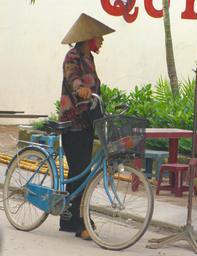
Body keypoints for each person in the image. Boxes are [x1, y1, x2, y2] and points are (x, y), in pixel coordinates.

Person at [58, 13, 115, 239]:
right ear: (89, 37)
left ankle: (76, 218)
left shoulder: (89, 58)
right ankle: (78, 221)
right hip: (73, 122)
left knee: (83, 172)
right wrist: (80, 88)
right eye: (99, 37)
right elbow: (73, 78)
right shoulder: (72, 57)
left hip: (88, 121)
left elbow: (94, 89)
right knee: (79, 171)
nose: (101, 41)